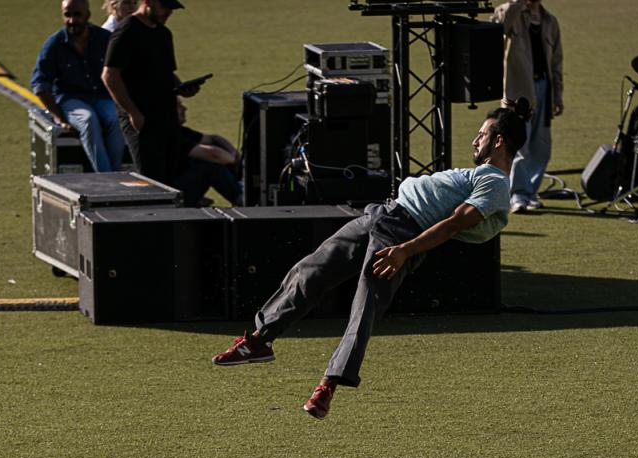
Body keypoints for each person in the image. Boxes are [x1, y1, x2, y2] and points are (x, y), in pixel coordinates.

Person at [210, 100, 530, 420]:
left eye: (481, 134)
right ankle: (258, 341)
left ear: (498, 141)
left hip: (400, 233)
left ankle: (327, 385)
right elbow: (505, 127)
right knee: (309, 270)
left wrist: (405, 250)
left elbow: (458, 221)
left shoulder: (495, 182)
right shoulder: (481, 173)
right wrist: (510, 111)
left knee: (365, 306)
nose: (475, 140)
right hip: (381, 214)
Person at [102, 0, 200, 186]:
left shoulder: (163, 33)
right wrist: (133, 113)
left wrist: (184, 89)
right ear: (148, 2)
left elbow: (166, 74)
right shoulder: (127, 30)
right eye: (165, 7)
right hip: (142, 122)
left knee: (170, 181)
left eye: (172, 9)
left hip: (166, 118)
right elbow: (109, 75)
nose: (169, 13)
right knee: (153, 184)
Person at [32, 0, 124, 172]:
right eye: (67, 15)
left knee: (115, 119)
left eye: (77, 15)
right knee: (89, 120)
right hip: (72, 100)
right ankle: (107, 177)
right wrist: (59, 118)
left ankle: (114, 171)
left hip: (103, 97)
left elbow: (123, 71)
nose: (72, 20)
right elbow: (40, 84)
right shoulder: (54, 44)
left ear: (88, 15)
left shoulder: (104, 39)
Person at [491, 0, 563, 213]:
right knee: (519, 144)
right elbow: (498, 26)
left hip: (544, 88)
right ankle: (518, 195)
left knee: (541, 145)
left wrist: (558, 94)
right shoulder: (509, 12)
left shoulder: (550, 20)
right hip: (518, 90)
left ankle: (531, 193)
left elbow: (556, 61)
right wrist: (518, 3)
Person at [174, 99, 243, 206]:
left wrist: (233, 152)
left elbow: (214, 138)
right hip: (172, 197)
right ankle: (243, 199)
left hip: (177, 187)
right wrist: (235, 161)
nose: (184, 108)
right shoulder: (169, 135)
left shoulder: (181, 131)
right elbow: (213, 154)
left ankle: (241, 192)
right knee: (210, 165)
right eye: (179, 106)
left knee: (217, 153)